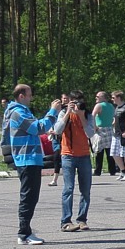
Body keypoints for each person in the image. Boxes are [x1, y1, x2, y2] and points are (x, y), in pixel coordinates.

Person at [5, 84, 62, 245]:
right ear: (21, 96)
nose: (31, 98)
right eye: (29, 95)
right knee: (28, 197)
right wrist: (53, 111)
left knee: (31, 197)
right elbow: (38, 127)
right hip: (26, 159)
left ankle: (26, 232)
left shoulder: (22, 111)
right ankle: (23, 234)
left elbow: (38, 129)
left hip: (31, 159)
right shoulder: (18, 112)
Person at [53, 90, 95, 232]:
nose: (77, 104)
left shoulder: (87, 114)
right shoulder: (64, 113)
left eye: (80, 101)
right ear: (70, 101)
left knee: (85, 190)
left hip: (84, 155)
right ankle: (66, 221)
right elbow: (57, 130)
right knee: (68, 189)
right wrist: (67, 113)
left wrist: (82, 116)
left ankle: (82, 220)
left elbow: (91, 133)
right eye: (74, 101)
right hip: (68, 155)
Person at [91, 91, 116, 176]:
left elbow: (92, 116)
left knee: (99, 151)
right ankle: (112, 170)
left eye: (98, 96)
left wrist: (94, 127)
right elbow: (115, 117)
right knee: (110, 151)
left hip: (101, 129)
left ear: (103, 97)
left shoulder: (99, 106)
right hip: (109, 128)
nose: (96, 98)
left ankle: (98, 170)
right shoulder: (111, 106)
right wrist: (112, 124)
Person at [111, 91, 125, 181]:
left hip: (124, 134)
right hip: (115, 134)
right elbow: (115, 120)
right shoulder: (117, 108)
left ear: (118, 97)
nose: (112, 99)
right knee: (114, 153)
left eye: (113, 97)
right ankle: (122, 171)